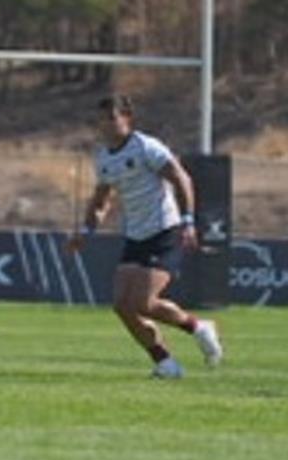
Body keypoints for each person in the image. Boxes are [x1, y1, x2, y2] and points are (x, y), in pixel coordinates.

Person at [65, 95, 222, 378]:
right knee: (122, 306)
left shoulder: (145, 147)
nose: (105, 125)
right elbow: (102, 200)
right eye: (101, 119)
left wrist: (188, 221)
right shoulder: (103, 158)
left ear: (127, 118)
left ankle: (198, 327)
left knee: (144, 303)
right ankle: (165, 363)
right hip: (136, 235)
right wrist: (86, 231)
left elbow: (181, 178)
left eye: (111, 118)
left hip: (165, 229)